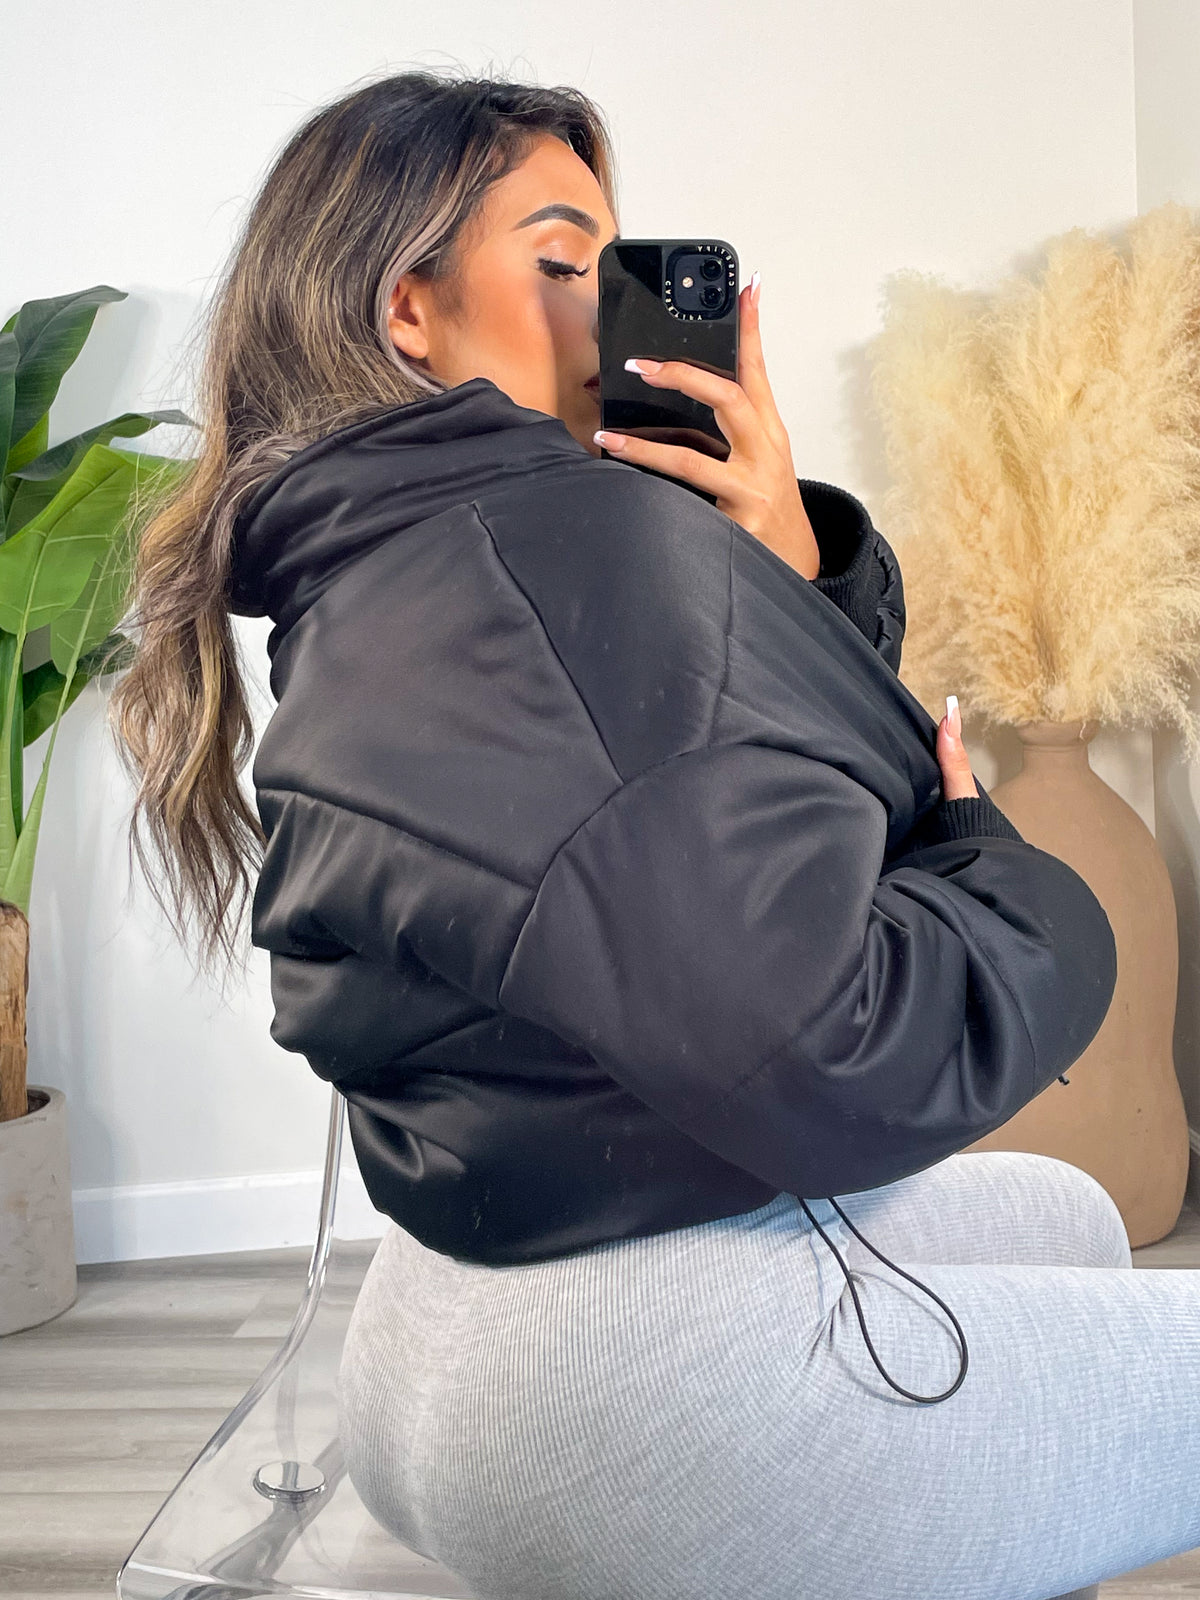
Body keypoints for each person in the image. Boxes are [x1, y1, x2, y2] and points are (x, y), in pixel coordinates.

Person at [105, 67, 1200, 1600]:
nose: (610, 313)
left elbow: (687, 833)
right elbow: (842, 1048)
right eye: (565, 263)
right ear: (406, 308)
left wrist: (774, 567)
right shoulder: (559, 560)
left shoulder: (398, 566)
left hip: (455, 1325)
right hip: (629, 1384)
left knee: (1070, 1219)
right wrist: (1004, 876)